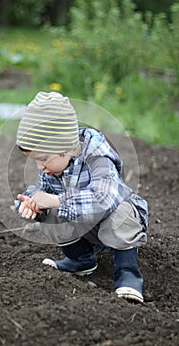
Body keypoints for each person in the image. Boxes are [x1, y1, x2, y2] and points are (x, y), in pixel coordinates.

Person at [15, 91, 148, 303]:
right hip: (87, 224)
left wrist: (57, 201)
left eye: (42, 159)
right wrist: (32, 203)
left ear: (62, 149)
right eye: (35, 162)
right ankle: (81, 260)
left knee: (120, 213)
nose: (40, 167)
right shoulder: (53, 167)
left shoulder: (97, 155)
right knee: (48, 212)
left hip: (116, 223)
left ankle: (127, 274)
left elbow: (105, 199)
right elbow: (43, 193)